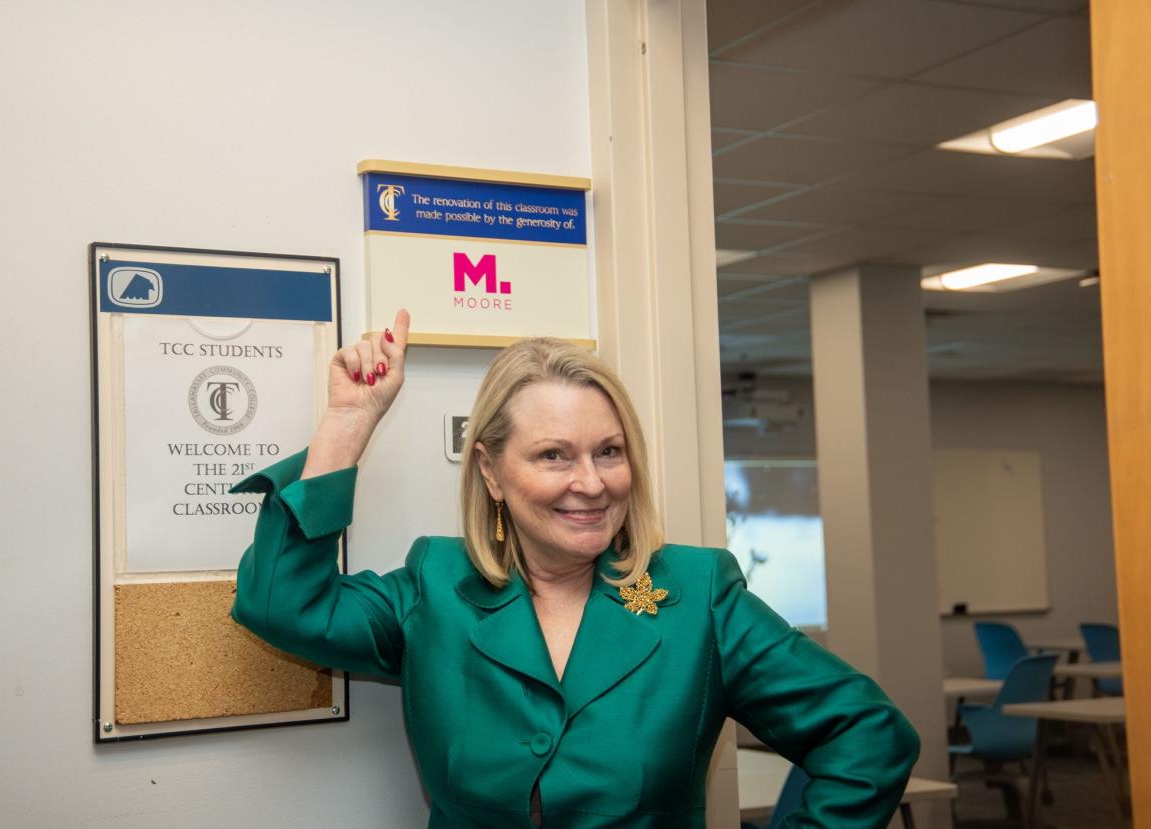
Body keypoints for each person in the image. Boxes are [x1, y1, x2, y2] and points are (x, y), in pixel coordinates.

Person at [231, 309, 920, 828]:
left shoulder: (700, 595)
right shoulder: (435, 587)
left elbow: (869, 734)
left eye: (609, 451)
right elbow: (283, 605)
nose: (590, 482)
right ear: (492, 473)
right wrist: (347, 425)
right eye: (554, 455)